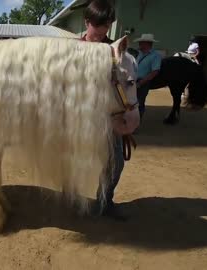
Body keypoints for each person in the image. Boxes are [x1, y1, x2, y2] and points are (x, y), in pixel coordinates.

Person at [80, 0, 129, 219]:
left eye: (106, 27)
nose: (101, 32)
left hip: (109, 116)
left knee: (116, 161)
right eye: (97, 26)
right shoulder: (71, 49)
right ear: (86, 22)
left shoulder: (115, 50)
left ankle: (105, 200)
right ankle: (74, 200)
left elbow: (127, 84)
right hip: (78, 116)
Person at [134, 33, 162, 120]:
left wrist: (141, 83)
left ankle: (136, 122)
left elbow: (155, 72)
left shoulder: (155, 55)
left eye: (141, 42)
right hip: (133, 81)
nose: (139, 44)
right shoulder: (138, 53)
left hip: (143, 82)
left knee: (139, 103)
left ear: (148, 44)